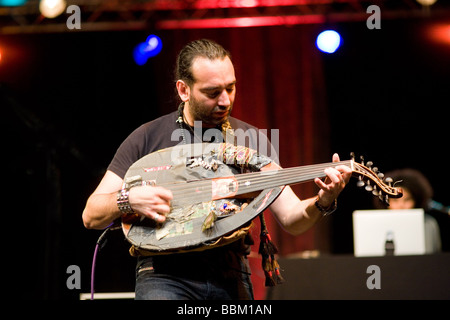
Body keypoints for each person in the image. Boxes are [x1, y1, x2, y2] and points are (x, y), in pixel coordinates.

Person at [82, 39, 352, 300]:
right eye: (212, 92)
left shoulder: (251, 140)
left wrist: (324, 200)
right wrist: (128, 200)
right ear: (183, 90)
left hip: (231, 274)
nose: (225, 100)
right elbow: (91, 215)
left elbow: (292, 218)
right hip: (163, 276)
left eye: (231, 88)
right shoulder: (147, 137)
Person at [373, 168, 442, 253]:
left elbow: (434, 255)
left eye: (407, 200)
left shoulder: (428, 223)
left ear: (416, 201)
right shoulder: (377, 225)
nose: (401, 205)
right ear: (386, 202)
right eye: (395, 200)